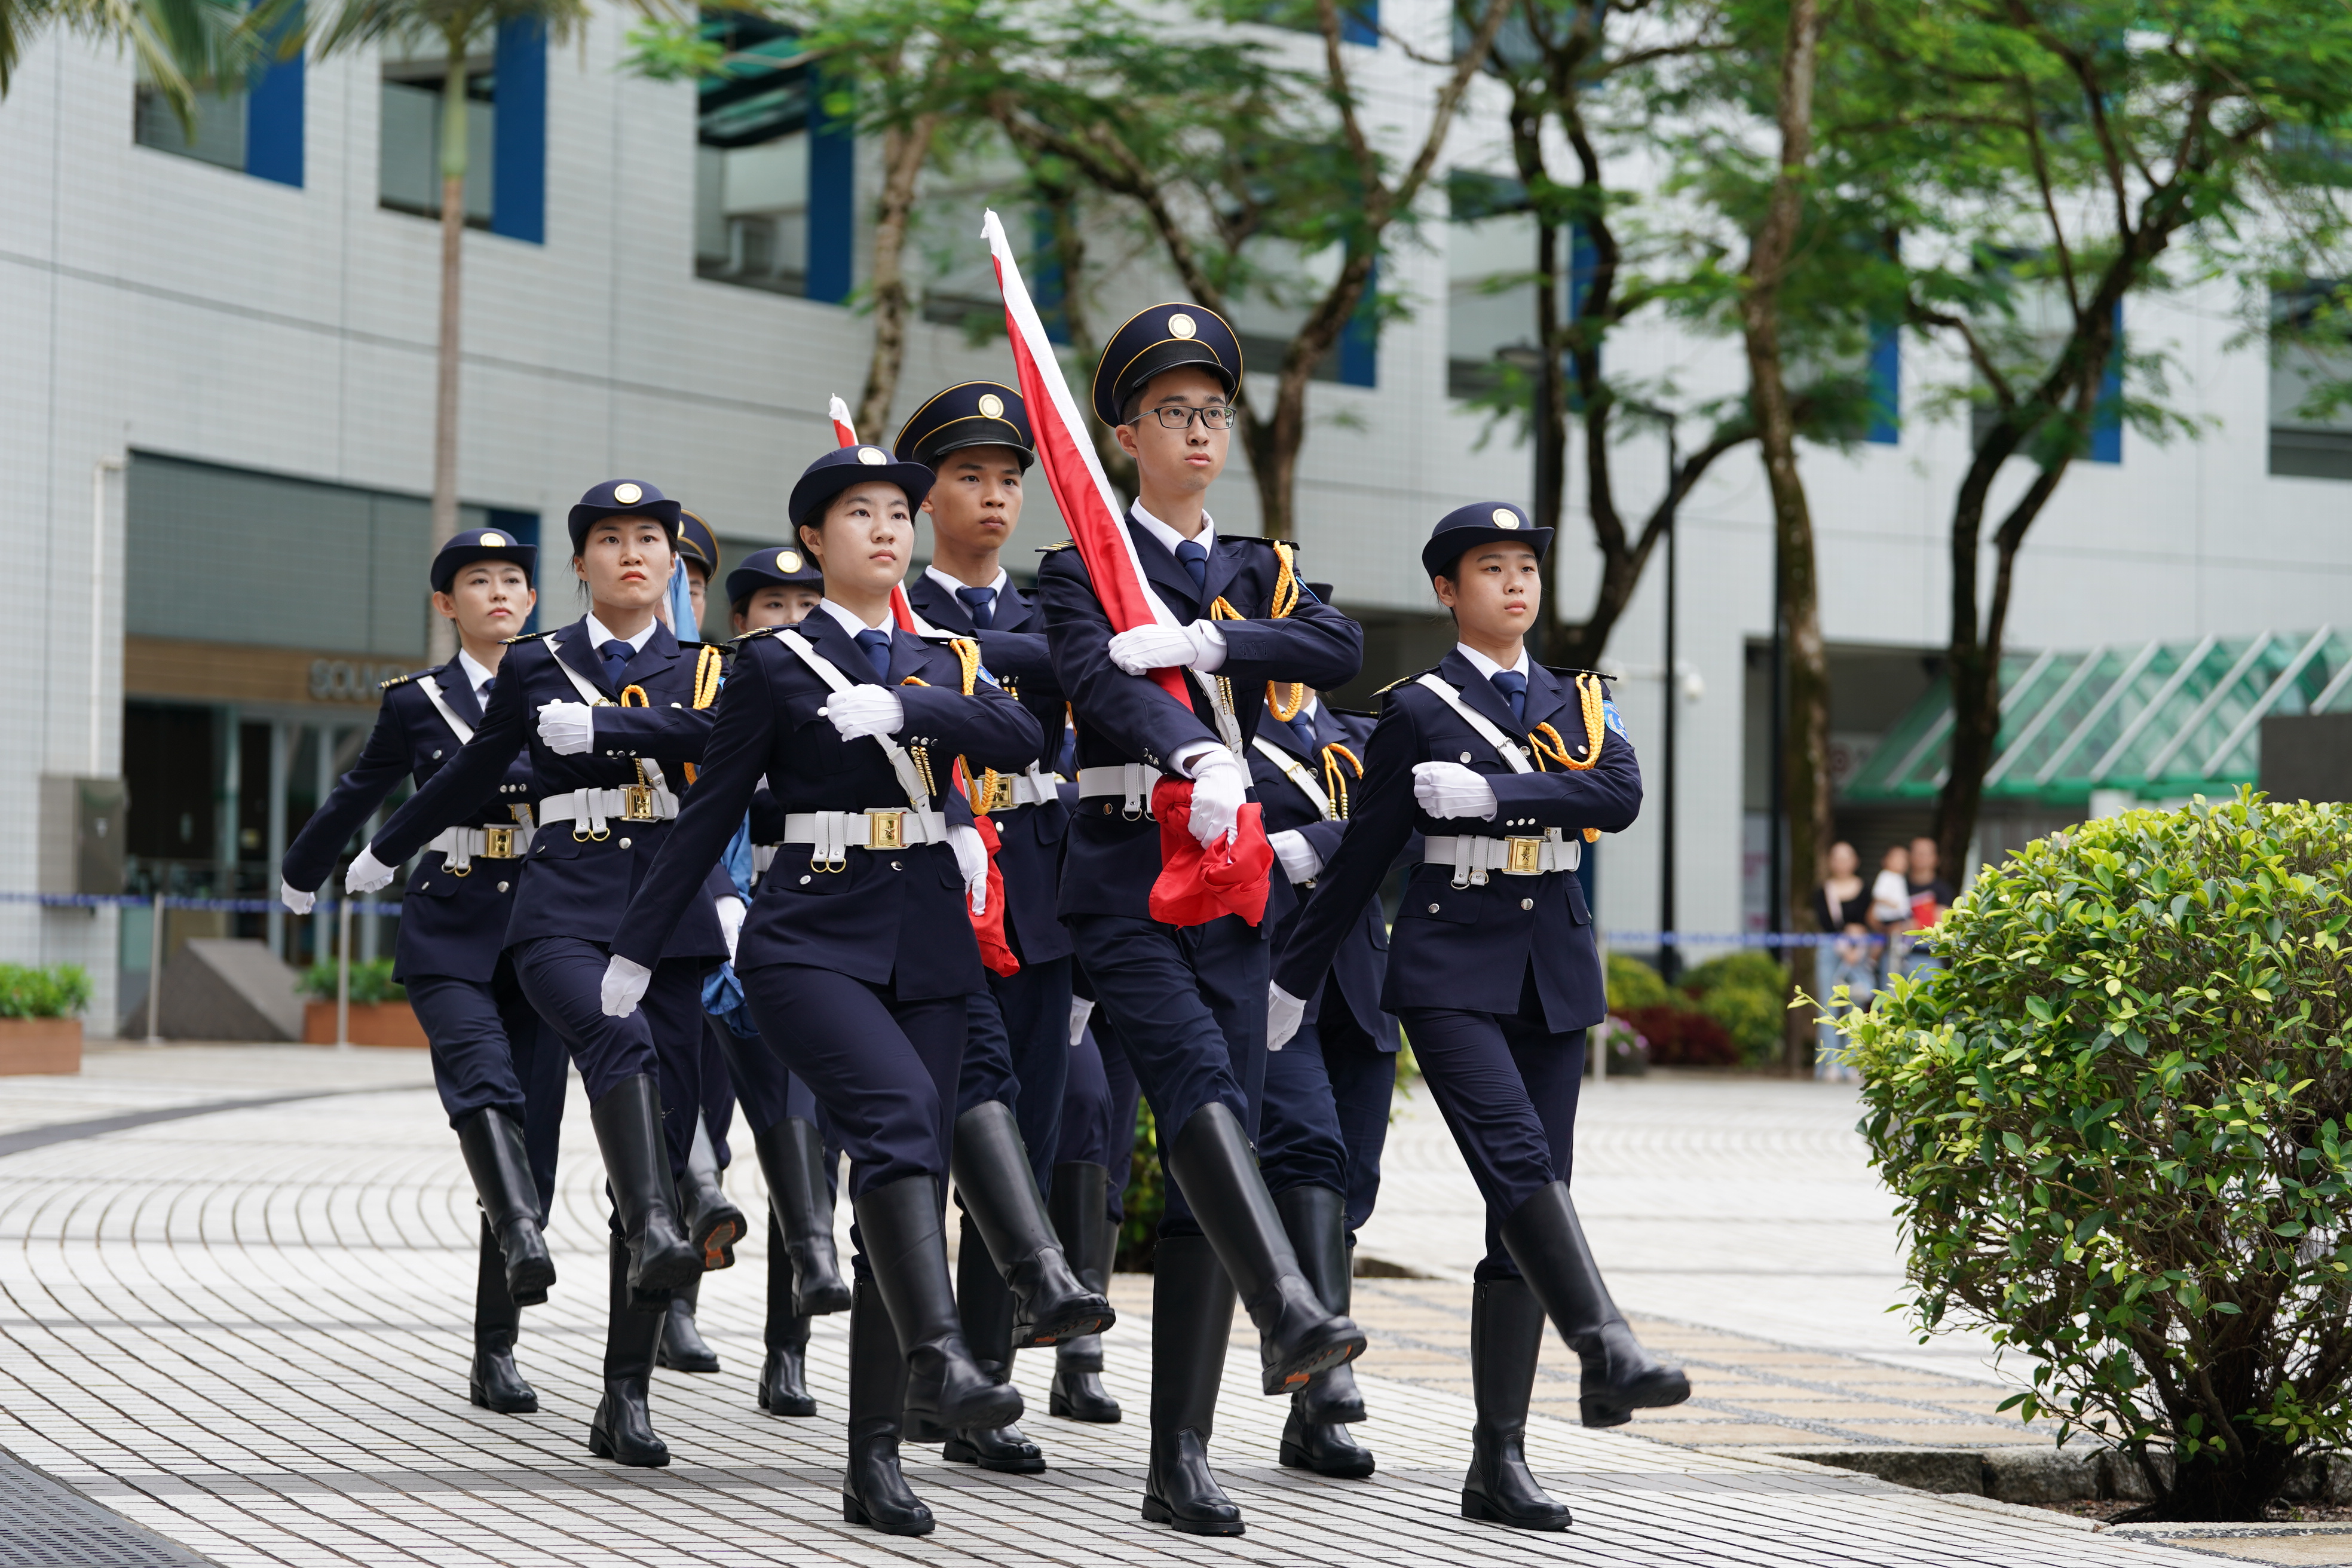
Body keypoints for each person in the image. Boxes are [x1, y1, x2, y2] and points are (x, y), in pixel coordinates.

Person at [599, 445, 1103, 1538]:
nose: (885, 529)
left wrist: (912, 706)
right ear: (818, 540)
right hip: (808, 937)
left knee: (905, 1166)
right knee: (889, 1120)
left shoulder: (944, 654)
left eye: (897, 513)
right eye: (859, 513)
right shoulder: (775, 663)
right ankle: (943, 1357)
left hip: (925, 937)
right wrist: (638, 951)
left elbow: (1026, 735)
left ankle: (875, 1458)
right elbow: (708, 809)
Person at [1270, 501, 1690, 1533]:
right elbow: (1364, 856)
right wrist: (1292, 979)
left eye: (1525, 568)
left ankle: (1498, 1457)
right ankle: (1605, 1341)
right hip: (1449, 966)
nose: (1513, 584)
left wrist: (1494, 792)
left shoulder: (1576, 697)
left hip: (1551, 965)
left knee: (1525, 1207)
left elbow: (1618, 795)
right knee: (1515, 1160)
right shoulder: (1415, 707)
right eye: (1489, 569)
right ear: (1447, 590)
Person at [1036, 301, 1368, 1537]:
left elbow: (1331, 644)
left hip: (1235, 892)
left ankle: (1181, 1456)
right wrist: (1190, 747)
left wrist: (1211, 640)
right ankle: (1290, 1304)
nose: (1195, 432)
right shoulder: (1079, 564)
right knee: (1195, 1089)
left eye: (1212, 412)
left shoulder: (1256, 570)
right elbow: (1092, 688)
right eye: (1171, 411)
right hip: (1125, 871)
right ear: (1126, 430)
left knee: (1200, 1162)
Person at [345, 480, 744, 1469]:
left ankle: (626, 1391)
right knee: (619, 1042)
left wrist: (607, 730)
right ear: (579, 564)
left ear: (671, 556)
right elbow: (473, 771)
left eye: (648, 537)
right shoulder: (538, 660)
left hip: (672, 916)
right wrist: (387, 847)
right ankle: (658, 1221)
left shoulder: (706, 666)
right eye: (609, 539)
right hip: (561, 901)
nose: (631, 554)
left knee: (647, 1125)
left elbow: (729, 746)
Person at [280, 528, 565, 1416]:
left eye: (513, 579)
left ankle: (496, 1347)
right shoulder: (419, 703)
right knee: (483, 1084)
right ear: (448, 605)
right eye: (478, 582)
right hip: (449, 919)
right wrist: (303, 867)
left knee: (538, 1141)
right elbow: (357, 791)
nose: (499, 594)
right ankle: (517, 1235)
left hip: (547, 922)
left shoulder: (562, 684)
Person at [896, 382, 1089, 1474]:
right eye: (968, 476)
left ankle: (984, 1383)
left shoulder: (1045, 611)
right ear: (924, 495)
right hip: (929, 893)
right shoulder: (896, 614)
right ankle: (925, 1368)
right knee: (930, 1139)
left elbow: (1083, 679)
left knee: (1022, 1133)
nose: (993, 496)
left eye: (1009, 479)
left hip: (1037, 896)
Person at [1245, 654, 1405, 1480]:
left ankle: (1312, 1409)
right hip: (1270, 977)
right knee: (1307, 1150)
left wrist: (1309, 841)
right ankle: (1329, 1385)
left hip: (1358, 983)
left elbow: (1402, 817)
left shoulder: (1359, 736)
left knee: (1355, 1185)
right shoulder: (1224, 733)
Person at [711, 541, 852, 1419]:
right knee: (721, 1131)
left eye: (809, 605)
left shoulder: (845, 698)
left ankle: (786, 1350)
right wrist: (723, 910)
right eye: (775, 607)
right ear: (741, 623)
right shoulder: (727, 698)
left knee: (805, 1131)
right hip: (726, 936)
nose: (794, 620)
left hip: (823, 931)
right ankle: (662, 1318)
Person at [1810, 841, 1872, 1082]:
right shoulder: (1823, 890)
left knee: (1854, 1006)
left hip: (1859, 951)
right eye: (1837, 858)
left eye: (1847, 857)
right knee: (1827, 1006)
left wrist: (1857, 942)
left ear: (1855, 861)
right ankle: (1830, 1064)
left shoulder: (1865, 888)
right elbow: (1825, 921)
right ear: (1830, 862)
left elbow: (1868, 919)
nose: (1842, 863)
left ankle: (1853, 1061)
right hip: (1830, 950)